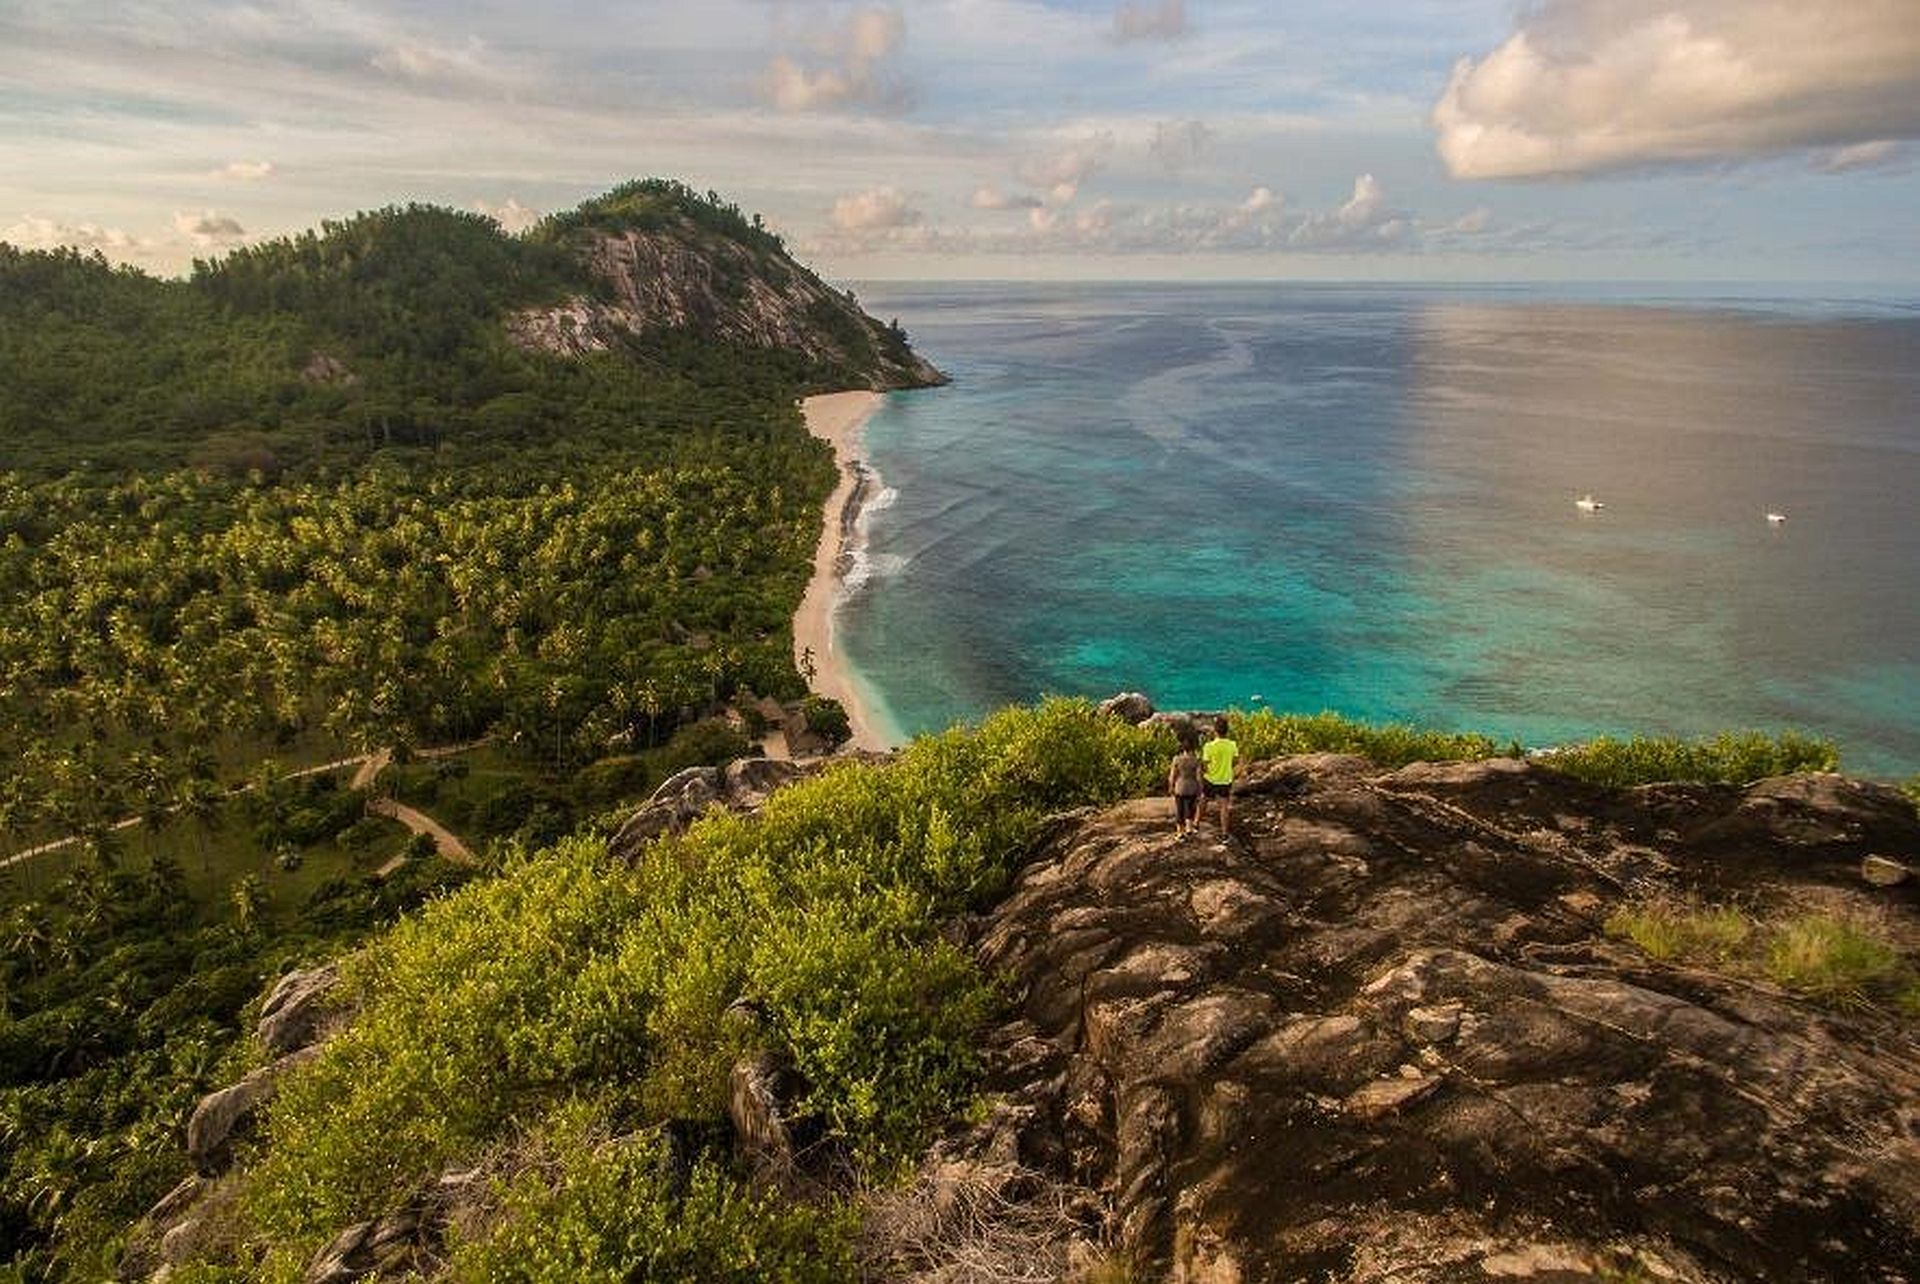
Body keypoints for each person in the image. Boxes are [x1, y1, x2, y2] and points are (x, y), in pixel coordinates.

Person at [1201, 715, 1238, 835]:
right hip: (1225, 779)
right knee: (1224, 807)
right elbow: (1234, 761)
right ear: (1227, 731)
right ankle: (1224, 833)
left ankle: (1195, 824)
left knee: (1204, 800)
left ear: (1215, 731)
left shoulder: (1208, 746)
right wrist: (1226, 768)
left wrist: (1206, 773)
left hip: (1210, 778)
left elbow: (1205, 764)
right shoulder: (1232, 745)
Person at [1168, 729, 1204, 836]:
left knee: (1180, 809)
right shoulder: (1196, 760)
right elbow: (1199, 777)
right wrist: (1201, 789)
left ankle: (1180, 832)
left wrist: (1171, 786)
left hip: (1179, 787)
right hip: (1192, 787)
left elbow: (1172, 775)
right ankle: (1189, 828)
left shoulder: (1176, 759)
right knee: (1190, 808)